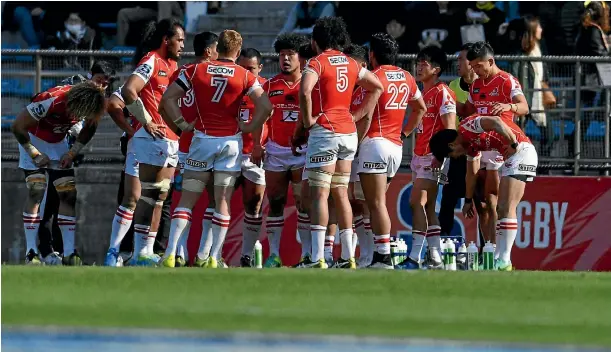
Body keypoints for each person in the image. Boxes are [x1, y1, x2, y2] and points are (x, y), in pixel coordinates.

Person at [160, 29, 272, 269]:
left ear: (217, 48)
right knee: (222, 200)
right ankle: (212, 257)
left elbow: (167, 100)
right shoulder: (244, 75)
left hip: (202, 140)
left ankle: (170, 254)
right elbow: (266, 105)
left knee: (188, 199)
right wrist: (250, 125)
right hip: (231, 144)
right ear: (238, 52)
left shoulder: (195, 70)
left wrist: (181, 125)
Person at [299, 17, 383, 268]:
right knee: (341, 194)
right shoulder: (350, 62)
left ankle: (316, 258)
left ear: (315, 42)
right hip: (348, 134)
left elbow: (305, 91)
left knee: (320, 195)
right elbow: (376, 87)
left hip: (326, 131)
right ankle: (348, 257)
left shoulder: (317, 62)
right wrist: (357, 115)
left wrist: (307, 121)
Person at [144, 31, 219, 268]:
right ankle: (205, 255)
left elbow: (165, 104)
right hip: (206, 144)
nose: (219, 54)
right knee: (213, 200)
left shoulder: (181, 72)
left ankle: (179, 252)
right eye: (217, 49)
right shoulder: (210, 74)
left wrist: (178, 130)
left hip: (184, 147)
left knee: (184, 200)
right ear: (209, 51)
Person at [11, 81, 106, 265]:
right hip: (33, 140)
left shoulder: (92, 104)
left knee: (69, 194)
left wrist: (72, 152)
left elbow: (90, 127)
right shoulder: (51, 100)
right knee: (36, 190)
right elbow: (17, 126)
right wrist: (35, 154)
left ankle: (69, 253)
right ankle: (31, 252)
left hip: (59, 143)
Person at [429, 114, 538, 271]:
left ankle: (505, 259)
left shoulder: (468, 127)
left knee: (507, 207)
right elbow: (471, 174)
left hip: (521, 151)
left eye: (450, 155)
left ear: (452, 145)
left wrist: (513, 143)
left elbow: (496, 121)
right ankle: (499, 258)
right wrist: (468, 200)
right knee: (501, 208)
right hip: (512, 157)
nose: (454, 157)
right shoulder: (470, 146)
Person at [357, 34, 426, 269]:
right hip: (395, 147)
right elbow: (420, 108)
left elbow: (364, 113)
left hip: (374, 143)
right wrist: (405, 133)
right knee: (375, 203)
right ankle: (375, 255)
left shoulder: (372, 77)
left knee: (375, 204)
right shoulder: (407, 77)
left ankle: (383, 256)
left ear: (372, 55)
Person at [36, 61, 115, 266]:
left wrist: (73, 151)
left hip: (66, 150)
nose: (101, 87)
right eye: (98, 81)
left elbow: (90, 127)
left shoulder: (100, 98)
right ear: (90, 75)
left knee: (66, 197)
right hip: (48, 144)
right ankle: (45, 250)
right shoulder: (73, 87)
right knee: (50, 200)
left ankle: (63, 251)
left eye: (105, 84)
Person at [120, 19, 184, 266]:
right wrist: (145, 120)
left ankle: (148, 250)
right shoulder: (151, 60)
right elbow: (128, 91)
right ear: (166, 40)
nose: (182, 45)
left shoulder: (173, 64)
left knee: (161, 196)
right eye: (178, 39)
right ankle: (137, 254)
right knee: (148, 195)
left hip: (169, 138)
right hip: (151, 137)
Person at [458, 41, 529, 258]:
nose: (475, 71)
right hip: (479, 146)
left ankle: (499, 252)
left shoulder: (507, 80)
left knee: (493, 201)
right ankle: (487, 249)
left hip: (501, 145)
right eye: (472, 66)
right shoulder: (476, 85)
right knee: (479, 203)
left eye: (478, 66)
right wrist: (444, 99)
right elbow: (468, 110)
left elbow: (525, 107)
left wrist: (509, 106)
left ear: (491, 61)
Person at [249, 34, 309, 268]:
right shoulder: (269, 85)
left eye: (290, 55)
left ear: (298, 57)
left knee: (304, 204)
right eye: (282, 55)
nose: (285, 59)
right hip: (275, 150)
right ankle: (274, 255)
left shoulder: (308, 82)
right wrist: (257, 144)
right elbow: (259, 118)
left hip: (303, 152)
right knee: (275, 202)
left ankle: (307, 254)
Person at [397, 45, 456, 270]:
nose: (420, 66)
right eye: (418, 62)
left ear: (437, 69)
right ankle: (436, 256)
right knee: (429, 208)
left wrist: (441, 157)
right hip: (418, 156)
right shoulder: (420, 94)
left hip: (433, 157)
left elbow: (450, 128)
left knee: (415, 202)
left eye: (426, 63)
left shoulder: (443, 92)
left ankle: (414, 257)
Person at [234, 48, 270, 268]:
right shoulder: (231, 84)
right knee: (220, 202)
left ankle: (246, 255)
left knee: (254, 203)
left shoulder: (265, 87)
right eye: (242, 67)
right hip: (230, 152)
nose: (246, 72)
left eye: (251, 69)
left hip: (255, 154)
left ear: (260, 69)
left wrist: (260, 145)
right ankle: (212, 255)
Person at [440, 43, 476, 238]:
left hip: (477, 153)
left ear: (472, 63)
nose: (457, 62)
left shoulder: (482, 86)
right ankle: (442, 242)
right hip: (457, 153)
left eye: (461, 59)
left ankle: (486, 249)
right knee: (447, 198)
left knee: (483, 203)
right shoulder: (452, 86)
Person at [343, 43, 374, 268]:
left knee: (365, 203)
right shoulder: (350, 88)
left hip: (364, 149)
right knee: (353, 202)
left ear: (362, 65)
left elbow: (367, 118)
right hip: (353, 149)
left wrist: (356, 143)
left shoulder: (367, 88)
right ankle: (362, 254)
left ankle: (372, 253)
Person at [510, 16, 555, 156]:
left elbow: (544, 73)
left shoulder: (540, 48)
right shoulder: (519, 51)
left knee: (549, 135)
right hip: (524, 99)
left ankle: (545, 164)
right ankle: (517, 164)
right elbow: (514, 75)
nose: (541, 29)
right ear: (532, 29)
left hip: (537, 99)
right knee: (517, 136)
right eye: (538, 27)